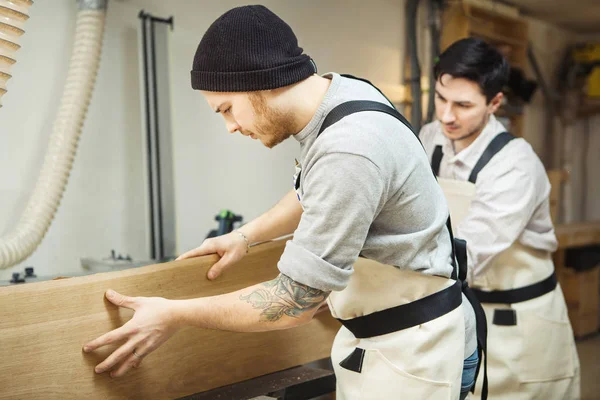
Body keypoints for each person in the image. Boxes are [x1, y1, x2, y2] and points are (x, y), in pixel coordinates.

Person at [83, 6, 479, 399]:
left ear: (261, 80)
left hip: (413, 352)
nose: (231, 127)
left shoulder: (350, 149)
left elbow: (294, 302)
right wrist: (245, 236)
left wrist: (174, 314)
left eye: (227, 109)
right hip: (388, 335)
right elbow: (317, 189)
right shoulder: (340, 93)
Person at [419, 37, 581, 399]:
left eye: (463, 105)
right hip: (457, 311)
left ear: (495, 103)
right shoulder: (429, 138)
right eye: (441, 99)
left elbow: (466, 254)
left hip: (518, 324)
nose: (447, 115)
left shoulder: (515, 165)